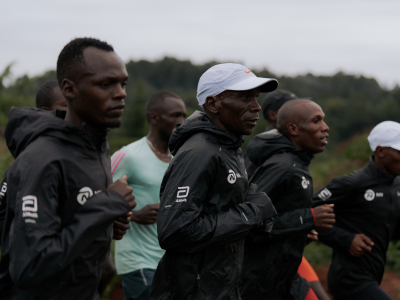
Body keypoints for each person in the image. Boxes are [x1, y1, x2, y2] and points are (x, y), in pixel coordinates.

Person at [0, 37, 136, 300]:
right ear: (69, 89)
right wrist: (106, 205)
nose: (121, 93)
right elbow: (31, 265)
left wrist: (107, 224)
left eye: (123, 83)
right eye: (106, 84)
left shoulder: (96, 149)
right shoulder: (42, 159)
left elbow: (73, 219)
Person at [149, 63, 278, 300]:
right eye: (245, 98)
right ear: (213, 104)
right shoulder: (200, 152)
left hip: (220, 288)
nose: (256, 107)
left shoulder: (228, 146)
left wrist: (256, 211)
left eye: (256, 98)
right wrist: (250, 213)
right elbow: (175, 231)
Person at [240, 99, 335, 300]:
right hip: (258, 284)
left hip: (284, 278)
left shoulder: (297, 163)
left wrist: (299, 232)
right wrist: (307, 218)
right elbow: (248, 224)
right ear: (293, 129)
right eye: (316, 121)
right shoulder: (282, 166)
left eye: (323, 121)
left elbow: (276, 218)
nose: (325, 128)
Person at [111, 91, 186, 300]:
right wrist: (134, 215)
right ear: (154, 118)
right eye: (175, 115)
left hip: (169, 262)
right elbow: (97, 199)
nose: (181, 122)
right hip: (137, 262)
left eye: (183, 116)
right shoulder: (128, 156)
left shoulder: (179, 160)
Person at [313, 121, 400, 300]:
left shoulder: (396, 185)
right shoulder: (353, 183)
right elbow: (307, 212)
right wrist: (347, 239)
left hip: (374, 274)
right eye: (399, 152)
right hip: (349, 279)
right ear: (381, 151)